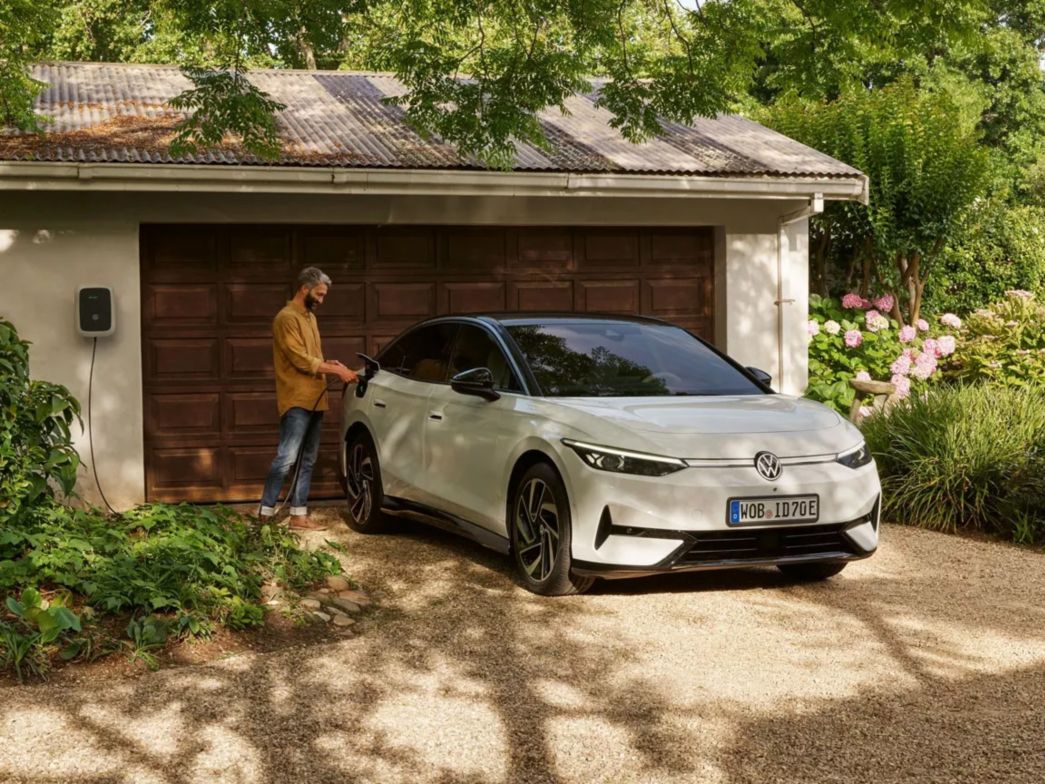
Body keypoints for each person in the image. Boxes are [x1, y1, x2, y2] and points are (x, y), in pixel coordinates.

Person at [258, 267, 358, 531]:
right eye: (319, 294)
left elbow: (312, 356)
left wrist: (330, 363)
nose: (322, 300)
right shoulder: (285, 318)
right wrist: (337, 371)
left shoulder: (310, 317)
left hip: (315, 398)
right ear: (305, 289)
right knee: (286, 458)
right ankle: (265, 513)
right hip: (296, 400)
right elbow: (299, 359)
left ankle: (298, 516)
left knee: (308, 459)